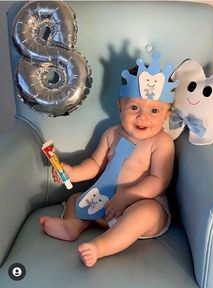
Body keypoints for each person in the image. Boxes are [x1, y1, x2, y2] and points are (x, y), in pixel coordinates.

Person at [40, 52, 179, 267]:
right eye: (134, 107)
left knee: (146, 214)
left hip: (140, 203)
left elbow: (158, 180)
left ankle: (101, 247)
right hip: (105, 203)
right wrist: (72, 172)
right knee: (75, 198)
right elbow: (95, 165)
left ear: (166, 115)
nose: (143, 117)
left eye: (154, 110)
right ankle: (71, 226)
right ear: (120, 107)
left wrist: (128, 197)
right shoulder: (111, 133)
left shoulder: (161, 142)